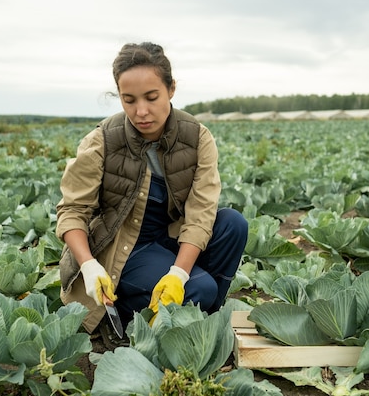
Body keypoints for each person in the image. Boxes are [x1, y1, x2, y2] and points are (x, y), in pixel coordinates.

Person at [56, 42, 248, 340]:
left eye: (151, 97)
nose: (141, 111)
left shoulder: (197, 138)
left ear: (171, 89)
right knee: (201, 287)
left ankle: (201, 315)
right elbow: (72, 211)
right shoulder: (103, 140)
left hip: (171, 236)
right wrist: (89, 265)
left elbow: (200, 214)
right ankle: (139, 313)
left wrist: (178, 275)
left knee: (233, 224)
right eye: (128, 100)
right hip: (126, 247)